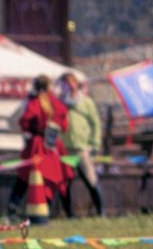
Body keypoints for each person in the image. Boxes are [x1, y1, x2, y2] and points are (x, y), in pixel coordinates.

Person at [7, 75, 72, 224]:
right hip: (52, 145)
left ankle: (13, 208)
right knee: (51, 178)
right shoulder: (57, 104)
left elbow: (24, 122)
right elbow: (64, 125)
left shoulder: (34, 103)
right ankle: (51, 210)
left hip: (36, 145)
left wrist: (32, 128)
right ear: (49, 86)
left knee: (24, 177)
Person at [59, 72, 105, 217]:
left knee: (91, 181)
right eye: (65, 83)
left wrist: (95, 144)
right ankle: (68, 214)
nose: (69, 85)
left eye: (71, 82)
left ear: (76, 83)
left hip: (82, 148)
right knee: (64, 184)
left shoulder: (86, 102)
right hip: (65, 149)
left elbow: (95, 123)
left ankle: (100, 212)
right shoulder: (60, 102)